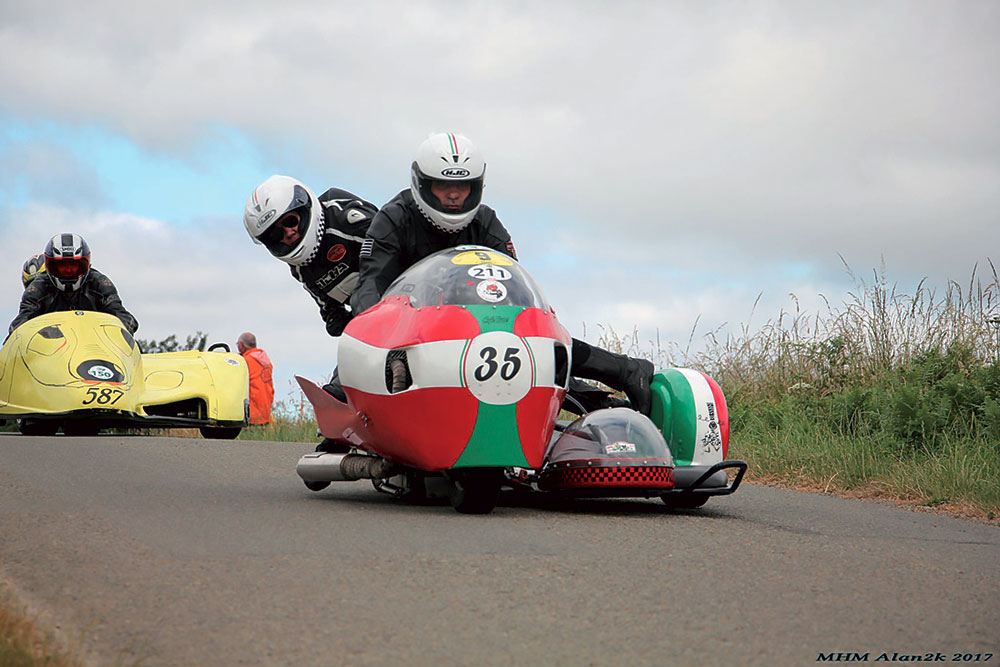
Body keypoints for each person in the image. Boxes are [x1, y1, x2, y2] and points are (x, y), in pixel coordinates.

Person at [352, 132, 655, 415]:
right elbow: (369, 285)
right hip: (411, 333)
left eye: (463, 186)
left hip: (474, 328)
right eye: (444, 186)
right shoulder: (393, 218)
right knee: (348, 376)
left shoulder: (485, 222)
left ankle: (621, 382)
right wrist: (378, 337)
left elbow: (516, 293)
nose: (454, 196)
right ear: (423, 184)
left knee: (534, 341)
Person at [243, 175, 377, 339]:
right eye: (275, 234)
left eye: (291, 221)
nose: (289, 233)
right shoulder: (301, 269)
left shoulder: (346, 220)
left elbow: (395, 247)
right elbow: (327, 304)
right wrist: (335, 317)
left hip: (408, 298)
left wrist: (371, 293)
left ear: (304, 209)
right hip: (374, 321)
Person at [9, 233, 138, 335]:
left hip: (97, 350)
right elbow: (19, 325)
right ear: (50, 266)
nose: (68, 271)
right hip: (51, 354)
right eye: (62, 267)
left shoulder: (100, 283)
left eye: (74, 266)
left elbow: (123, 317)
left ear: (86, 264)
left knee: (135, 347)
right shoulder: (37, 289)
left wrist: (123, 330)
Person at [237, 332, 275, 425]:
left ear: (242, 345)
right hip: (265, 410)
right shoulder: (265, 360)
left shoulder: (245, 361)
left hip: (251, 413)